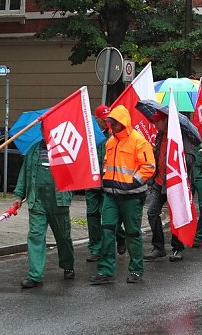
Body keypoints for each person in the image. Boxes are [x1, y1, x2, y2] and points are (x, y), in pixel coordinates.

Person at [90, 105, 155, 285]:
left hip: (131, 197)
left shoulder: (138, 141)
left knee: (132, 234)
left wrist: (132, 182)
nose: (111, 125)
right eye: (110, 122)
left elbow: (149, 167)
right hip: (111, 196)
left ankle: (136, 270)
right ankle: (105, 270)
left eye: (113, 122)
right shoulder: (111, 142)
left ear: (122, 122)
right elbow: (107, 166)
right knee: (107, 232)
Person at [13, 139, 75, 288]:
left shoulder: (65, 149)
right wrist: (18, 196)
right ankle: (35, 276)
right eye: (43, 128)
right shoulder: (33, 150)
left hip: (59, 201)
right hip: (37, 201)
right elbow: (25, 173)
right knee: (35, 236)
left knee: (63, 236)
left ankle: (68, 265)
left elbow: (74, 174)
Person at [144, 110, 196, 262]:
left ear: (165, 121)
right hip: (158, 182)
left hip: (174, 184)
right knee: (152, 213)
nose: (155, 124)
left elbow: (190, 159)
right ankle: (158, 247)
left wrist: (177, 159)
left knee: (176, 216)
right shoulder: (160, 136)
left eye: (157, 121)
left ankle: (177, 248)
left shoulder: (180, 137)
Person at [85, 105, 126, 262]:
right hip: (91, 181)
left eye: (108, 120)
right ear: (97, 119)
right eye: (104, 120)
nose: (107, 123)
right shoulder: (89, 135)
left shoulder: (113, 136)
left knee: (108, 216)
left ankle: (120, 236)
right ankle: (95, 248)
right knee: (92, 216)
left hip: (108, 183)